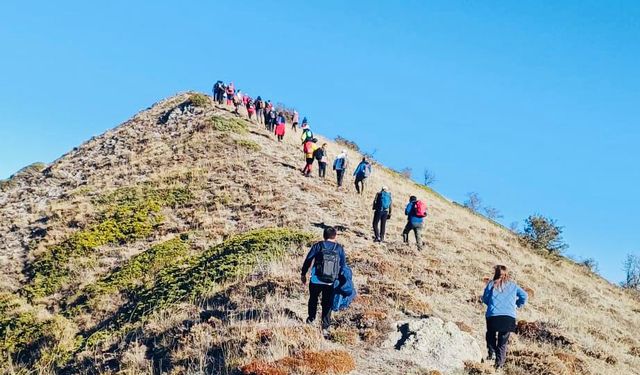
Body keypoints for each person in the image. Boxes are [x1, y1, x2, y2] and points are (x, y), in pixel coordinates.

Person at [301, 226, 347, 336]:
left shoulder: (318, 246)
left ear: (324, 236)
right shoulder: (339, 248)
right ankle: (325, 327)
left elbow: (308, 260)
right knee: (327, 303)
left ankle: (311, 319)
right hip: (330, 282)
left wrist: (303, 273)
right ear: (335, 236)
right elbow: (343, 265)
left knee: (313, 299)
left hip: (316, 279)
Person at [482, 265, 528, 369]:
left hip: (493, 315)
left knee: (490, 335)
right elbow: (524, 296)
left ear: (496, 273)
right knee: (503, 343)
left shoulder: (491, 284)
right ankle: (499, 365)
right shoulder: (513, 286)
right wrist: (517, 304)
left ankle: (492, 353)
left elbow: (485, 299)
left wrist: (491, 304)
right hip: (509, 317)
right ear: (507, 273)